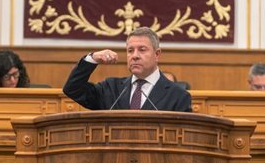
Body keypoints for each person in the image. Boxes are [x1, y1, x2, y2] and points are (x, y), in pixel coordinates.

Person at [63, 27, 192, 111]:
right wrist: (92, 58)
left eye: (142, 50)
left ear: (157, 54)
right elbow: (73, 89)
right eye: (130, 50)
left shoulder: (178, 96)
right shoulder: (111, 88)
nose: (135, 56)